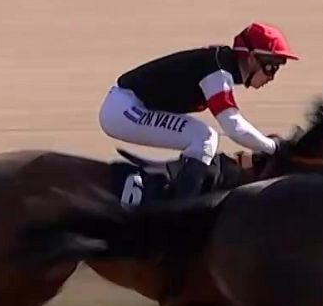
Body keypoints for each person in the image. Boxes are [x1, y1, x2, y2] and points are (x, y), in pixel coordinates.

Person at [98, 22, 300, 200]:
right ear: (251, 59)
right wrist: (275, 148)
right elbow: (234, 126)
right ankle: (183, 209)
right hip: (124, 109)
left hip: (128, 105)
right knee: (204, 137)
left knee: (202, 137)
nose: (272, 76)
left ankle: (181, 190)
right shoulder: (218, 72)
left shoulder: (221, 63)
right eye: (271, 67)